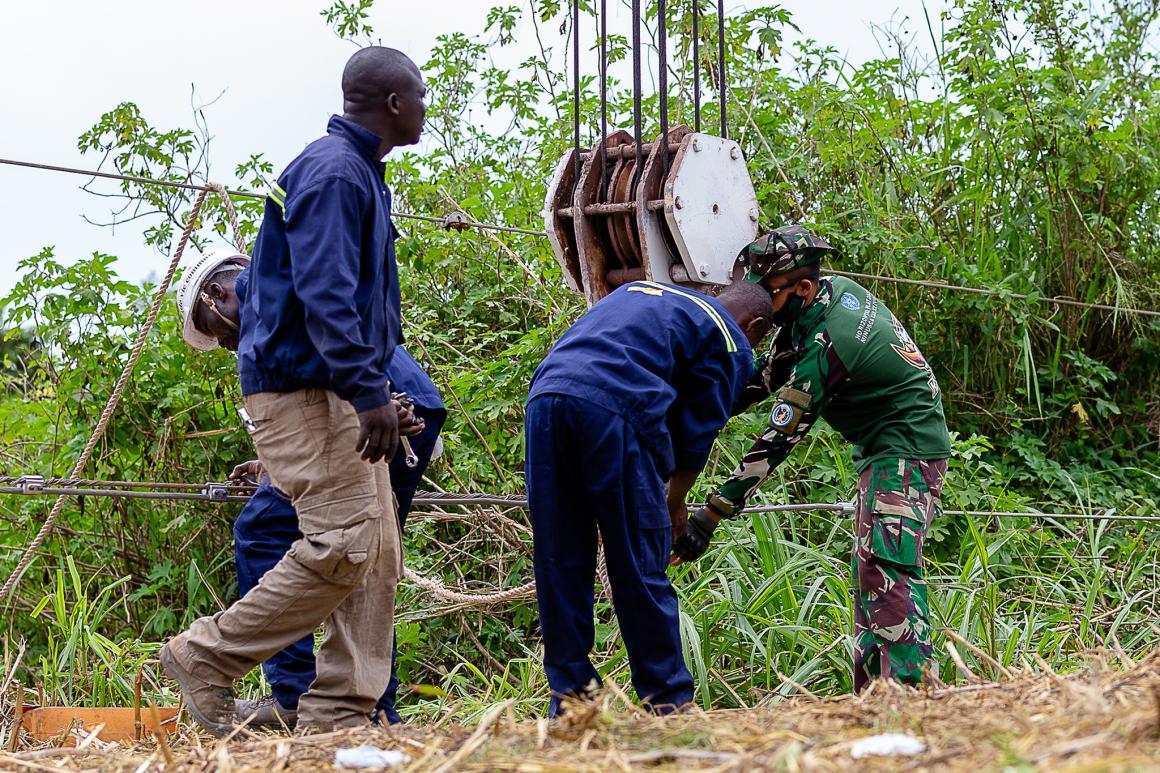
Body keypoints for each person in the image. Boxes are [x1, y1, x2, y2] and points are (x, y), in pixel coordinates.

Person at [160, 45, 428, 736]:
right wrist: (368, 391)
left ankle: (340, 710)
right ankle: (204, 655)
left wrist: (371, 389)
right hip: (309, 390)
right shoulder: (335, 173)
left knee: (375, 551)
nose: (426, 107)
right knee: (342, 543)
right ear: (393, 102)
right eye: (421, 96)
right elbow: (325, 292)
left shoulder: (357, 173)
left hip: (331, 387)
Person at [671, 226, 952, 692]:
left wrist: (710, 514)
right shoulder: (820, 300)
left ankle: (909, 693)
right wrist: (700, 403)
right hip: (883, 446)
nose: (759, 305)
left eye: (767, 295)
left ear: (801, 287)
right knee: (871, 568)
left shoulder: (832, 341)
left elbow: (779, 438)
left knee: (887, 566)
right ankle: (877, 692)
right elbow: (766, 376)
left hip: (907, 448)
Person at [174, 250, 446, 726]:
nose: (225, 344)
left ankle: (283, 689)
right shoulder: (290, 272)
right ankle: (360, 709)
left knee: (279, 535)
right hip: (402, 399)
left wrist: (371, 400)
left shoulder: (266, 291)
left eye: (213, 329)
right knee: (372, 557)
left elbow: (321, 332)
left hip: (371, 401)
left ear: (216, 293)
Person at [525, 280, 774, 716]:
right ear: (754, 326)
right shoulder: (728, 335)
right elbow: (696, 435)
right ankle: (667, 702)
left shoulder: (640, 290)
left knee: (558, 558)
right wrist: (674, 504)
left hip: (545, 399)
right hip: (613, 410)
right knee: (639, 560)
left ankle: (571, 702)